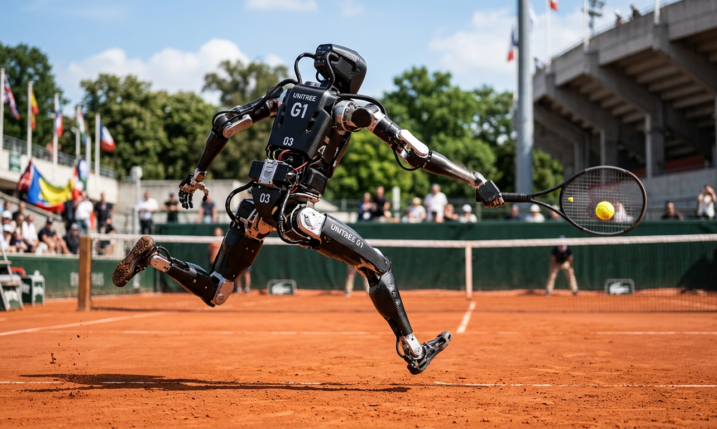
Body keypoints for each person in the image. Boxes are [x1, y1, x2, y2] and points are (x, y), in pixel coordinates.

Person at [113, 45, 512, 375]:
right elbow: (417, 153)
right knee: (379, 267)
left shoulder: (285, 94)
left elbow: (224, 123)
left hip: (257, 206)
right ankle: (412, 349)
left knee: (219, 290)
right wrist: (477, 181)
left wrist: (197, 173)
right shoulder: (351, 109)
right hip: (298, 214)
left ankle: (158, 258)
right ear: (351, 75)